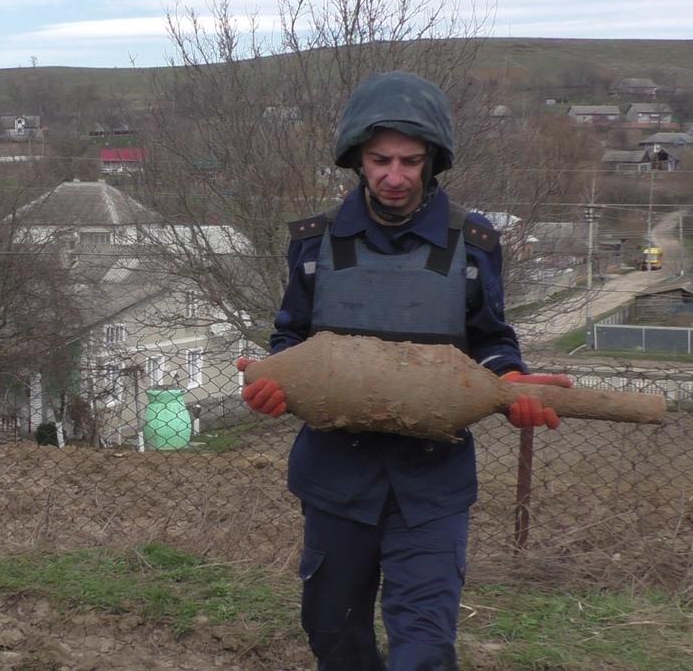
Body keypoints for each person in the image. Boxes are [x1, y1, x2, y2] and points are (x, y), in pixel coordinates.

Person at [237, 71, 571, 671]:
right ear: (357, 160)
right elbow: (290, 337)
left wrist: (510, 381)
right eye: (380, 160)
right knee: (334, 637)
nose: (395, 176)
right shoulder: (314, 244)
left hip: (431, 483)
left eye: (410, 161)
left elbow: (491, 339)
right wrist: (272, 382)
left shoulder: (474, 243)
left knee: (425, 647)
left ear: (432, 160)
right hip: (336, 477)